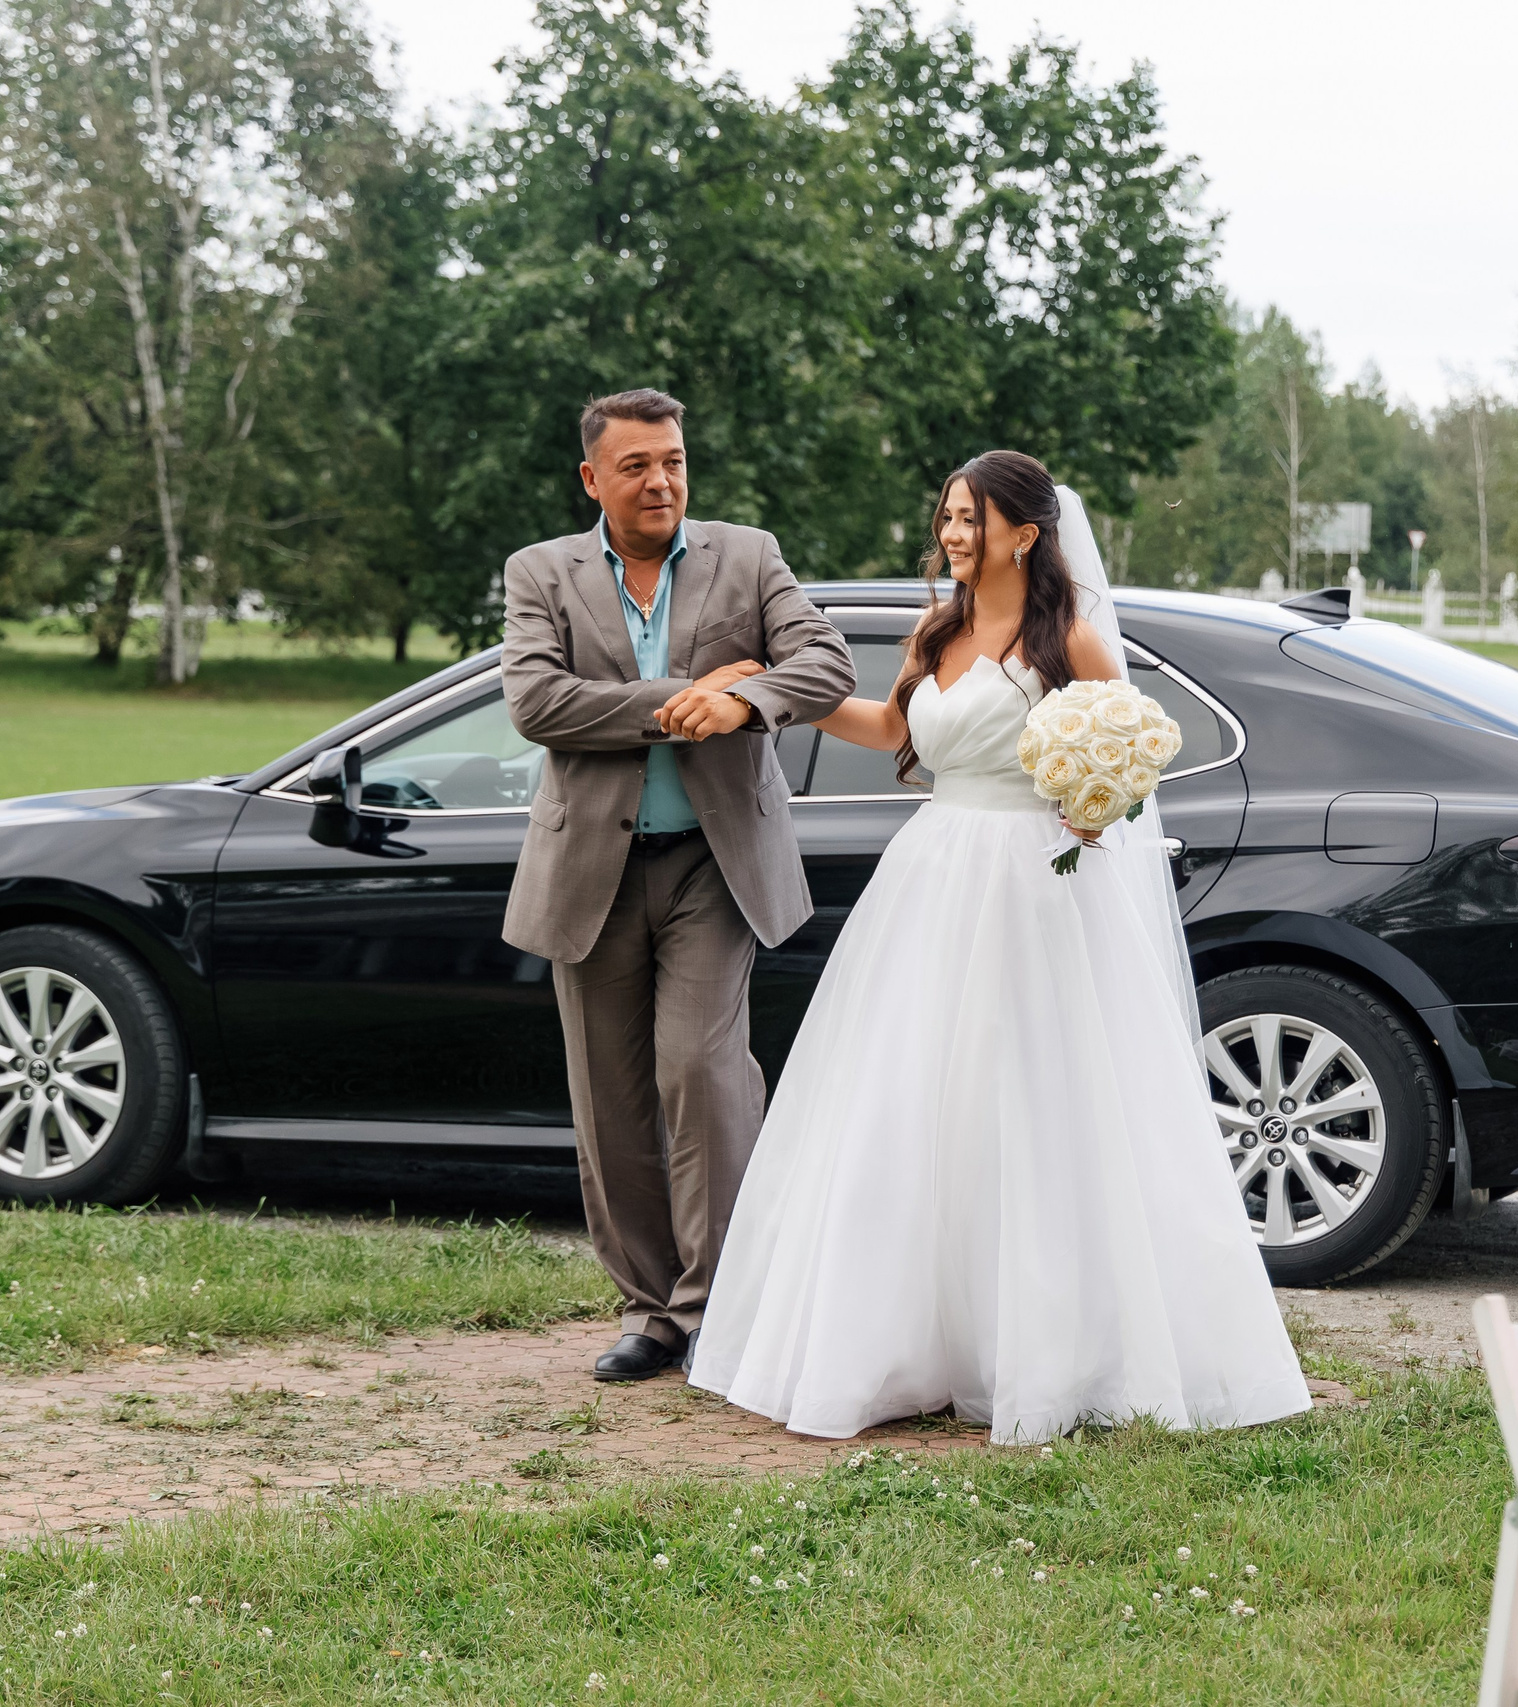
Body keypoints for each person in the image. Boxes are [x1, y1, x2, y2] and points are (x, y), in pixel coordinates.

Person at [687, 450, 1311, 1443]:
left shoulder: (1074, 643)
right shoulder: (934, 630)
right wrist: (769, 692)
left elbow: (1136, 768)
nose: (951, 533)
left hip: (1037, 887)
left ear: (1024, 531)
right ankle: (912, 1343)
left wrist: (1103, 802)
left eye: (970, 517)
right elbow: (888, 726)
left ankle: (1053, 1347)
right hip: (934, 873)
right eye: (946, 516)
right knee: (913, 1101)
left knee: (1037, 1105)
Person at [500, 388, 855, 1383]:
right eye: (635, 466)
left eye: (673, 461)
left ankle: (719, 1304)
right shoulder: (540, 573)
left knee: (699, 1075)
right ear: (591, 479)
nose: (659, 481)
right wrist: (693, 698)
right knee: (610, 1103)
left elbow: (822, 665)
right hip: (591, 876)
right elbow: (536, 701)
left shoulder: (748, 555)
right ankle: (649, 1313)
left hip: (712, 864)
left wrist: (745, 697)